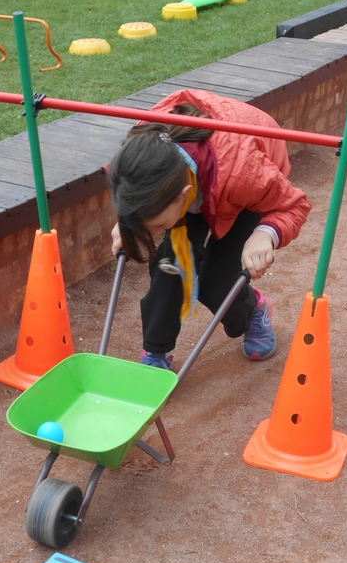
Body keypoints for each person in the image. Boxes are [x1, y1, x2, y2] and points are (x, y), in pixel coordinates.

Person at [108, 89, 311, 369]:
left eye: (156, 225)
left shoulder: (246, 175)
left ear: (184, 196)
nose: (151, 233)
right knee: (171, 264)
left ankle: (254, 308)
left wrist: (265, 234)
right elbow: (131, 190)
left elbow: (294, 205)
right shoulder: (140, 155)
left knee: (217, 284)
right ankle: (157, 351)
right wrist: (129, 221)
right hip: (199, 174)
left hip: (241, 179)